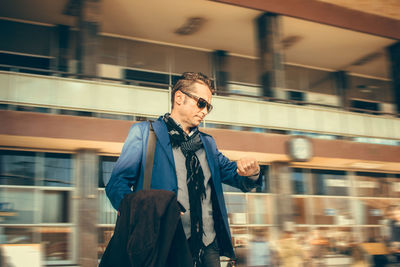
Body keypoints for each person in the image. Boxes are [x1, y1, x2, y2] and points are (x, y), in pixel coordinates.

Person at [105, 72, 261, 267]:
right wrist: (143, 215)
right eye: (201, 103)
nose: (205, 112)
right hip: (164, 243)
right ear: (179, 98)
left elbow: (235, 175)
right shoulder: (145, 133)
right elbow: (116, 185)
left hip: (208, 247)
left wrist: (250, 172)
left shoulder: (208, 144)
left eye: (209, 107)